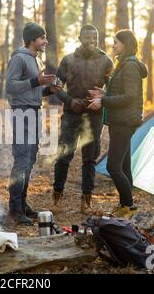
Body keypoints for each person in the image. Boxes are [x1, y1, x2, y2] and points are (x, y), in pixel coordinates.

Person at [52, 25, 114, 214]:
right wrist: (70, 101)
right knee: (63, 157)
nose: (91, 41)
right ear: (79, 38)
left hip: (94, 117)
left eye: (94, 38)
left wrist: (101, 100)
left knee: (90, 159)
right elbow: (56, 87)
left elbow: (113, 91)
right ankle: (56, 200)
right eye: (87, 38)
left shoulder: (106, 61)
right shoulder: (68, 60)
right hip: (71, 115)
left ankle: (86, 202)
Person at [88, 29, 148, 219]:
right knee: (124, 166)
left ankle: (129, 207)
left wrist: (103, 101)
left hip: (124, 121)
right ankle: (125, 206)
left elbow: (130, 96)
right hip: (121, 120)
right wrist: (105, 94)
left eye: (116, 42)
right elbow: (123, 92)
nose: (113, 45)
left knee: (113, 167)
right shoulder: (124, 64)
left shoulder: (130, 66)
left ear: (125, 44)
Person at [6, 22, 61, 226]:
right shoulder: (19, 58)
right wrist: (37, 82)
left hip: (35, 112)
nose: (46, 41)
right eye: (42, 37)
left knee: (29, 160)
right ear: (32, 40)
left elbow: (33, 89)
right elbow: (11, 86)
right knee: (21, 160)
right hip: (21, 113)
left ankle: (23, 204)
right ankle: (14, 208)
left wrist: (48, 91)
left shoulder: (35, 60)